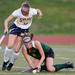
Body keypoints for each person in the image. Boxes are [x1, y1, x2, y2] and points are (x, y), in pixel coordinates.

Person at [2, 1, 42, 71]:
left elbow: (38, 10)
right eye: (22, 11)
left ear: (29, 10)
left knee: (17, 49)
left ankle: (11, 63)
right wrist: (6, 28)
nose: (23, 12)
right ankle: (5, 62)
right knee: (10, 45)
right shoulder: (17, 12)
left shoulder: (32, 11)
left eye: (25, 11)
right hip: (16, 28)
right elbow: (6, 20)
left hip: (24, 31)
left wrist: (40, 13)